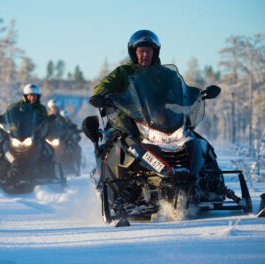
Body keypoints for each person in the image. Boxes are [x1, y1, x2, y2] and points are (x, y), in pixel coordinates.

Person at [88, 29, 226, 200]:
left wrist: (199, 95)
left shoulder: (165, 74)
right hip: (128, 122)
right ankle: (111, 190)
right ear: (134, 53)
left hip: (163, 122)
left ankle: (215, 186)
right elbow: (101, 88)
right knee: (114, 146)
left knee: (200, 143)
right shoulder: (123, 73)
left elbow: (182, 93)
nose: (144, 55)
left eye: (148, 51)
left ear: (155, 52)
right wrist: (105, 95)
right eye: (141, 51)